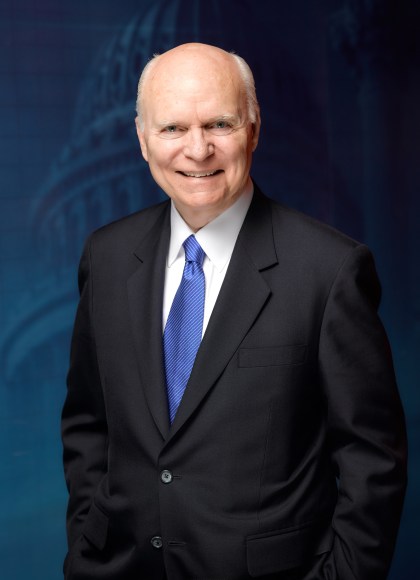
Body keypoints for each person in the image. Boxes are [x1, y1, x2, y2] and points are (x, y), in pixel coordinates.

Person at [62, 43, 407, 580]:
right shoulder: (105, 257)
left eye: (218, 124)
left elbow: (372, 461)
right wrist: (88, 542)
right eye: (173, 128)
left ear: (253, 128)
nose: (197, 150)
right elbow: (88, 424)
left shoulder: (330, 270)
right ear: (142, 139)